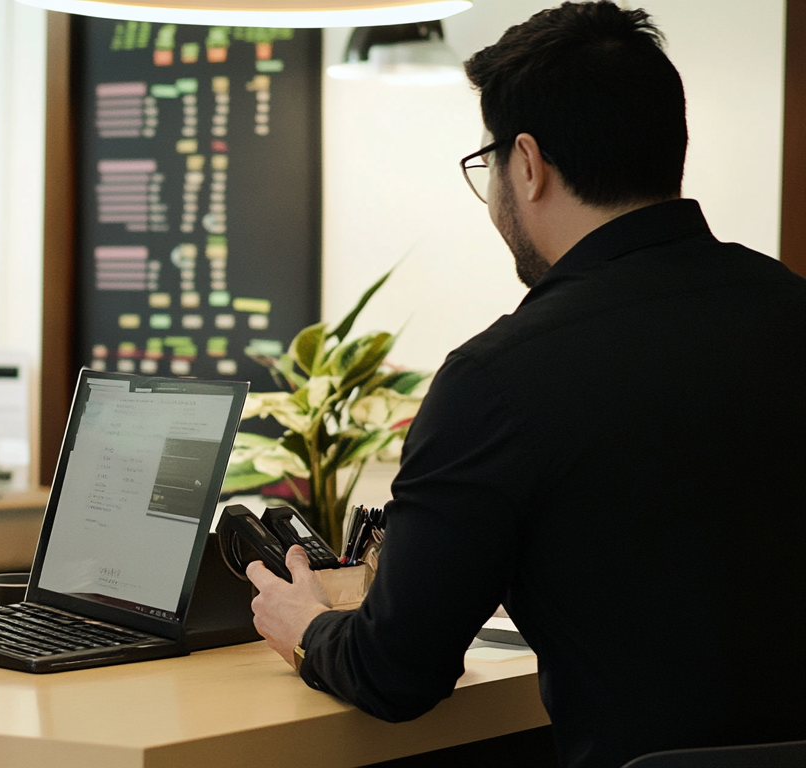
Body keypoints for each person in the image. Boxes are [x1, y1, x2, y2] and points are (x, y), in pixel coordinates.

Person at [246, 4, 806, 768]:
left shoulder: (499, 378)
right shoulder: (790, 305)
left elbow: (397, 672)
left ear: (530, 165)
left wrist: (306, 624)